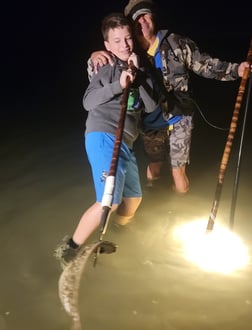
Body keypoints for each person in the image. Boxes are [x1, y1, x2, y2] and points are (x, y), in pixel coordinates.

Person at [88, 0, 251, 194]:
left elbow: (206, 65)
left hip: (179, 116)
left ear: (153, 17)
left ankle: (178, 208)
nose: (142, 20)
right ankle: (156, 201)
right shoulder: (126, 51)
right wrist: (94, 56)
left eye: (145, 14)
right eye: (136, 17)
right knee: (154, 168)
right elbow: (99, 76)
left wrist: (236, 70)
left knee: (178, 175)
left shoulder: (176, 43)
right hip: (148, 123)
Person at [54, 12, 158, 268]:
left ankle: (121, 233)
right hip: (103, 136)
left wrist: (138, 77)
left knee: (133, 198)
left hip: (126, 143)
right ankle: (68, 251)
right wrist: (118, 85)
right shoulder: (107, 70)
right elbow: (87, 102)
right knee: (109, 200)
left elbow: (152, 104)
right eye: (117, 40)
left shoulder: (139, 69)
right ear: (108, 46)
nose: (124, 45)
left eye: (128, 39)